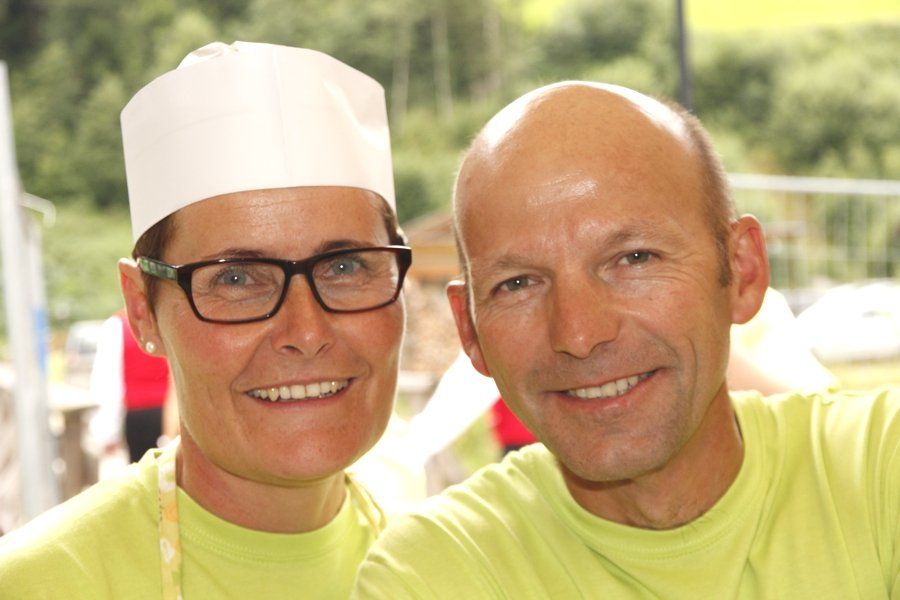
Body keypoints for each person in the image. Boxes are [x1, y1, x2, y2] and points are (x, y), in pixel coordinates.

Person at [354, 82, 899, 598]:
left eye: (634, 258)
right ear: (470, 330)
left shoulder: (879, 470)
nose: (579, 333)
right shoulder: (434, 575)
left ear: (743, 270)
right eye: (518, 284)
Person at [0, 41, 410, 598]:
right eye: (236, 279)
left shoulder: (446, 561)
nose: (307, 332)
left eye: (346, 266)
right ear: (143, 309)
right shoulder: (39, 583)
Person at [89, 309, 172, 464]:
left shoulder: (116, 326)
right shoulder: (167, 319)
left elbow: (109, 383)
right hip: (171, 413)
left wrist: (108, 432)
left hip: (140, 417)